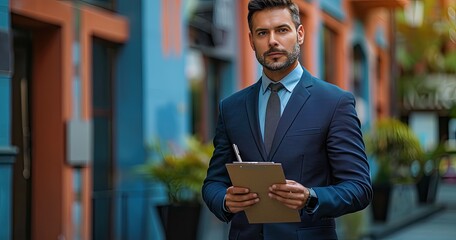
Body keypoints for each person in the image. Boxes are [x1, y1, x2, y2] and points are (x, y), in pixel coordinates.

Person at [202, 0, 372, 239]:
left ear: (300, 34)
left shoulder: (334, 102)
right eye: (262, 33)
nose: (272, 40)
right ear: (251, 41)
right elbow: (212, 183)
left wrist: (311, 197)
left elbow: (359, 187)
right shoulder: (231, 108)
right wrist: (225, 200)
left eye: (282, 30)